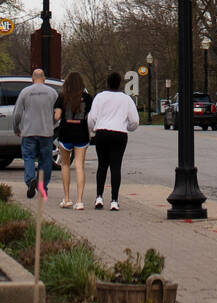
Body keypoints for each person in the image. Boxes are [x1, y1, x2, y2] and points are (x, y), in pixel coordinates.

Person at [87, 71, 139, 210]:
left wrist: (94, 129)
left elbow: (91, 118)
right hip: (119, 134)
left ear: (107, 83)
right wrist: (126, 127)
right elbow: (134, 121)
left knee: (102, 166)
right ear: (120, 83)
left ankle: (99, 197)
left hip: (102, 132)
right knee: (116, 167)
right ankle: (114, 200)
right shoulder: (126, 99)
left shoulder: (99, 97)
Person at [12, 69, 58, 198]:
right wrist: (52, 123)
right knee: (45, 160)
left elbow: (17, 114)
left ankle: (30, 179)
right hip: (46, 132)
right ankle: (42, 186)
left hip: (29, 132)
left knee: (29, 157)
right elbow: (58, 112)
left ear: (32, 79)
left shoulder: (25, 92)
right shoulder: (52, 93)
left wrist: (16, 128)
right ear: (44, 79)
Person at [54, 72, 92, 209]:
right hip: (81, 133)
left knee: (65, 165)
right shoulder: (87, 97)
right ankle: (80, 201)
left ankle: (66, 198)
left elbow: (57, 116)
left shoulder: (62, 96)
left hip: (65, 133)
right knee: (80, 166)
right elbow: (89, 116)